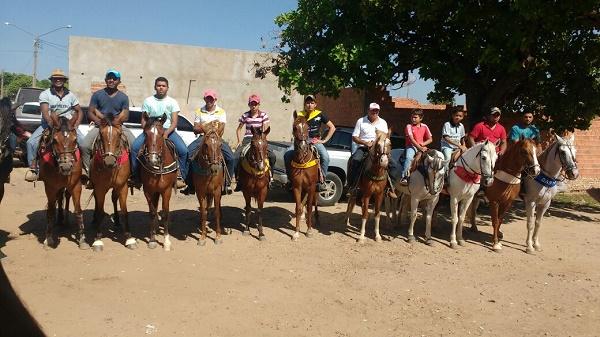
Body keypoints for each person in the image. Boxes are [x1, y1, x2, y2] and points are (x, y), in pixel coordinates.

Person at [25, 69, 83, 182]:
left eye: (60, 78)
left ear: (64, 80)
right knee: (31, 142)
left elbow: (79, 111)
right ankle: (34, 169)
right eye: (55, 78)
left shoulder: (70, 95)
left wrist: (76, 124)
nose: (58, 80)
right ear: (52, 80)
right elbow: (46, 112)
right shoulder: (45, 94)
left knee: (85, 143)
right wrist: (53, 125)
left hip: (68, 125)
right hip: (50, 123)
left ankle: (85, 168)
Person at [130, 77, 188, 188]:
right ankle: (135, 176)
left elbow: (174, 122)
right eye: (159, 85)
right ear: (155, 87)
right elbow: (143, 120)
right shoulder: (148, 101)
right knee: (134, 148)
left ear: (167, 88)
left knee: (184, 151)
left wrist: (166, 134)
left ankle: (181, 176)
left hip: (167, 131)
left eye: (163, 86)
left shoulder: (172, 102)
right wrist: (148, 131)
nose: (161, 87)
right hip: (151, 131)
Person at [80, 69, 135, 184]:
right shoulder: (97, 95)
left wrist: (117, 121)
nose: (111, 80)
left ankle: (133, 174)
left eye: (114, 78)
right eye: (109, 78)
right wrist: (99, 122)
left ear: (119, 81)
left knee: (134, 145)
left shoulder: (123, 97)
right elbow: (90, 112)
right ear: (105, 80)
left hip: (117, 125)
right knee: (84, 145)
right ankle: (87, 172)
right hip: (100, 125)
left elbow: (126, 115)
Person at [183, 89, 234, 195]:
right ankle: (189, 183)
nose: (209, 100)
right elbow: (195, 129)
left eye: (211, 98)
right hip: (202, 137)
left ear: (215, 99)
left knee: (231, 157)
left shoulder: (221, 111)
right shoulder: (199, 111)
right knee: (188, 153)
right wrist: (208, 127)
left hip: (217, 138)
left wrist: (206, 127)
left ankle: (227, 183)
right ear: (204, 99)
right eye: (207, 98)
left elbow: (222, 128)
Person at [283, 94, 336, 191]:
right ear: (304, 104)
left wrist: (324, 140)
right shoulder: (300, 115)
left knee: (325, 157)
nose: (309, 105)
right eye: (307, 103)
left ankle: (322, 181)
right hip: (301, 140)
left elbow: (332, 127)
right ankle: (290, 179)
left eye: (312, 103)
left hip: (314, 140)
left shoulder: (320, 114)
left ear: (315, 104)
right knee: (287, 154)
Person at [347, 102, 397, 198]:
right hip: (364, 148)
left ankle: (390, 188)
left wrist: (383, 148)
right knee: (355, 160)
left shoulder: (383, 122)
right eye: (373, 110)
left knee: (393, 165)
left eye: (377, 110)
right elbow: (354, 137)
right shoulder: (361, 121)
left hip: (380, 150)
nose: (375, 112)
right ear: (368, 110)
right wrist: (365, 143)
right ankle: (352, 187)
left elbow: (386, 138)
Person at [233, 94, 276, 191]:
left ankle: (270, 178)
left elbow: (265, 129)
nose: (253, 106)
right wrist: (239, 141)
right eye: (251, 104)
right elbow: (239, 129)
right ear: (249, 105)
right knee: (235, 157)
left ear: (259, 104)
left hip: (260, 139)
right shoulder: (245, 115)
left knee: (272, 156)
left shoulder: (263, 115)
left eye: (255, 104)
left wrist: (264, 140)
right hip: (248, 139)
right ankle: (238, 180)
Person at [400, 109, 432, 185]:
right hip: (411, 146)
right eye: (412, 117)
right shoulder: (409, 126)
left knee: (433, 159)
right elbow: (411, 139)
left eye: (415, 117)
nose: (413, 119)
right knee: (409, 157)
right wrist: (419, 148)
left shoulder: (424, 126)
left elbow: (430, 139)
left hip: (422, 146)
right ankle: (404, 177)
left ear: (421, 118)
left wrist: (423, 144)